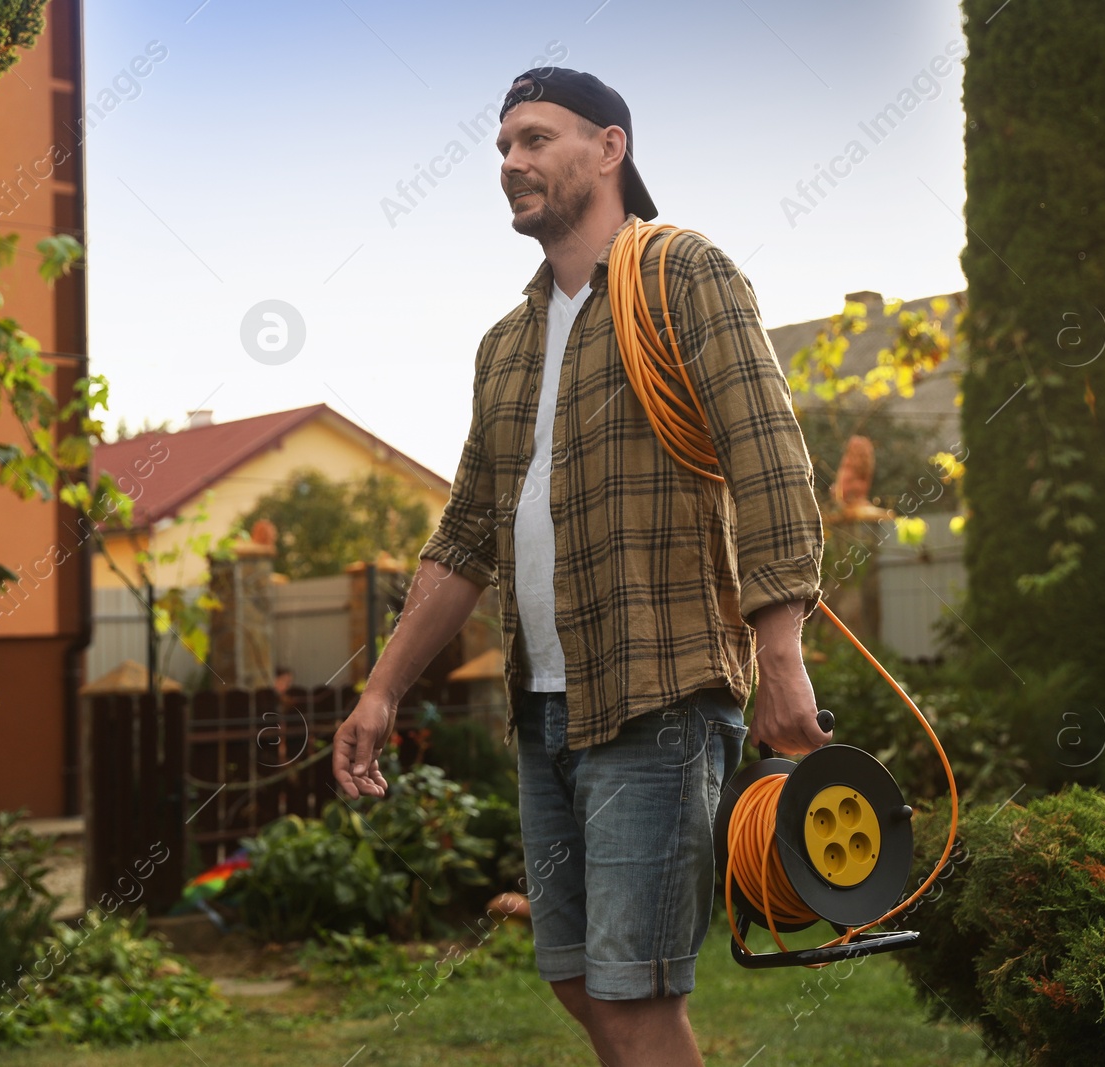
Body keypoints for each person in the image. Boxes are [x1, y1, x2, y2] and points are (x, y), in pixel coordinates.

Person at [333, 66, 831, 1066]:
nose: (512, 162)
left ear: (608, 149)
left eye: (536, 138)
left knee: (635, 990)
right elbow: (468, 530)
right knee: (572, 968)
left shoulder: (684, 273)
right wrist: (381, 687)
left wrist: (781, 657)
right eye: (503, 146)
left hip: (658, 692)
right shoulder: (507, 344)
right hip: (544, 705)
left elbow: (768, 455)